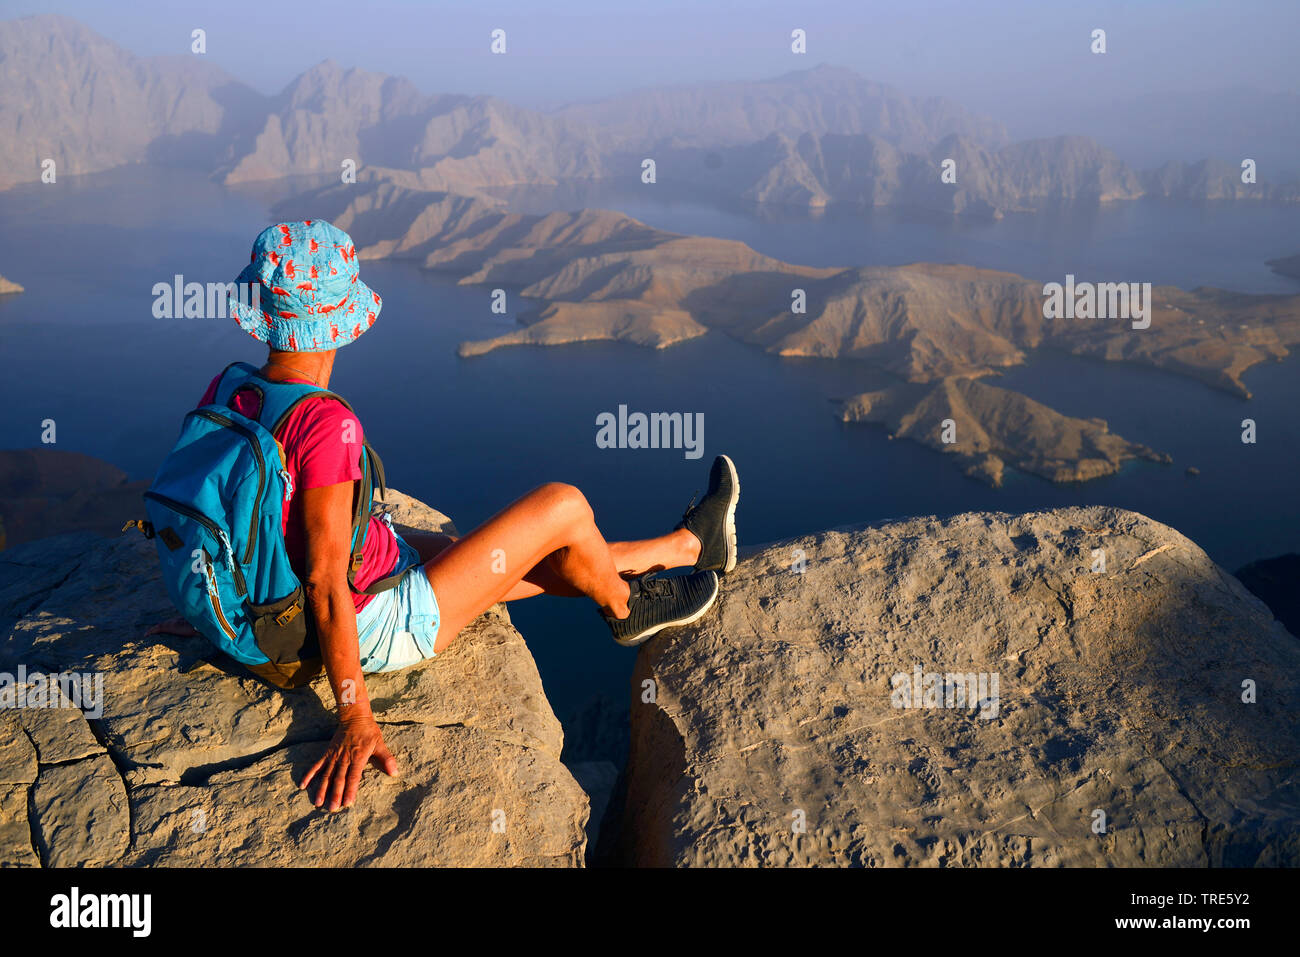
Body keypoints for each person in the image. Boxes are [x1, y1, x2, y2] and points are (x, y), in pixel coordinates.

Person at [150, 220, 740, 812]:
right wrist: (355, 714)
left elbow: (217, 513)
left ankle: (685, 547)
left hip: (333, 581)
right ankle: (626, 609)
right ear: (337, 322)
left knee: (499, 552)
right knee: (564, 506)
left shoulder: (233, 386)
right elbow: (326, 583)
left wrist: (212, 604)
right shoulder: (325, 423)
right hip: (380, 617)